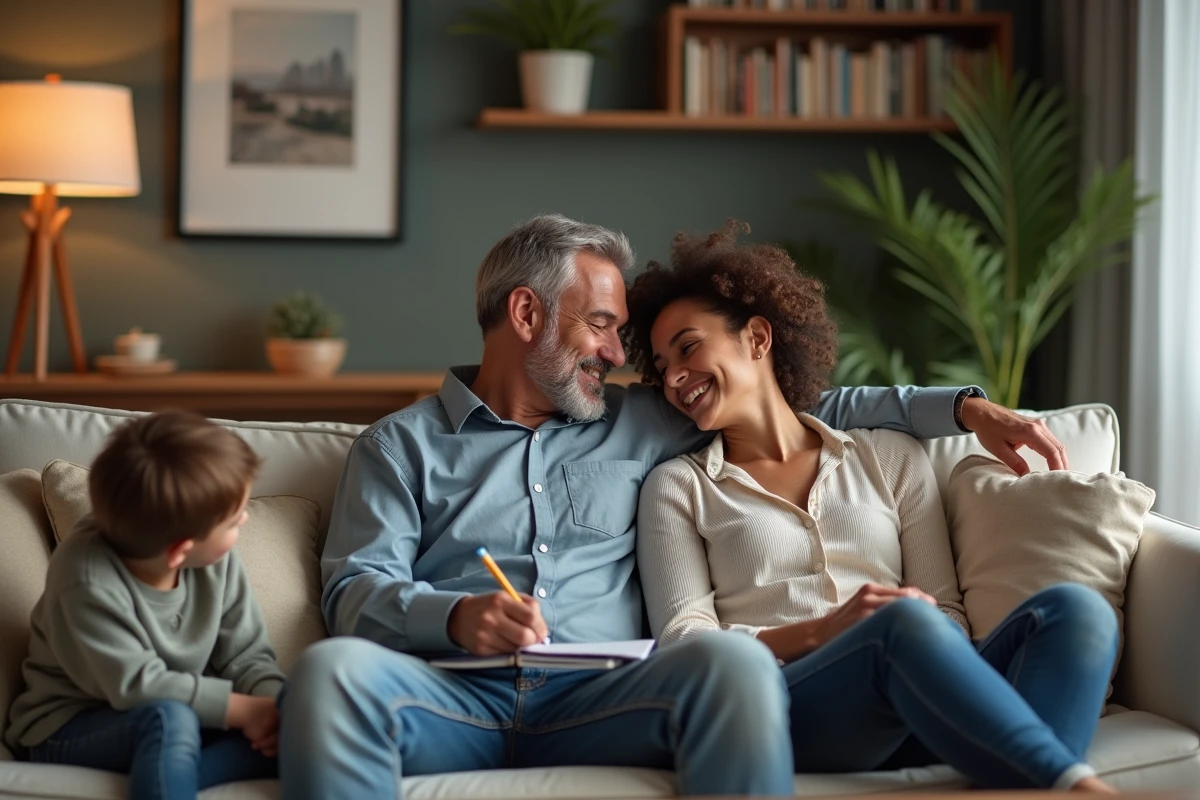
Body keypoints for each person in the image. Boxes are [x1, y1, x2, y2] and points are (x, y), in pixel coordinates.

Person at [279, 214, 1073, 798]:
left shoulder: (642, 416)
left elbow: (798, 399)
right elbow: (354, 593)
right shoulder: (398, 446)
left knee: (727, 659)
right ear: (525, 315)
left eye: (623, 335)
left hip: (604, 696)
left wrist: (968, 409)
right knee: (331, 673)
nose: (618, 356)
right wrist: (454, 617)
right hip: (451, 694)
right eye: (600, 326)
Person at [626, 222, 1118, 792]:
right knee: (898, 622)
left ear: (757, 338)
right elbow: (686, 642)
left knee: (1076, 610)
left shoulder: (889, 456)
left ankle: (1020, 770)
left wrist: (937, 666)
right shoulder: (677, 487)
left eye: (687, 347)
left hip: (919, 693)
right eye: (662, 369)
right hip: (794, 707)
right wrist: (826, 631)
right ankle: (1079, 787)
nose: (675, 378)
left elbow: (945, 610)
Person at [6, 411, 284, 800]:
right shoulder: (84, 577)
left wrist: (273, 710)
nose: (246, 519)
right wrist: (243, 711)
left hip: (180, 713)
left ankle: (171, 777)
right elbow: (136, 685)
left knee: (299, 728)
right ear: (180, 551)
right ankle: (171, 777)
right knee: (171, 720)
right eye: (234, 521)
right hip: (70, 725)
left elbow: (248, 654)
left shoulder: (217, 560)